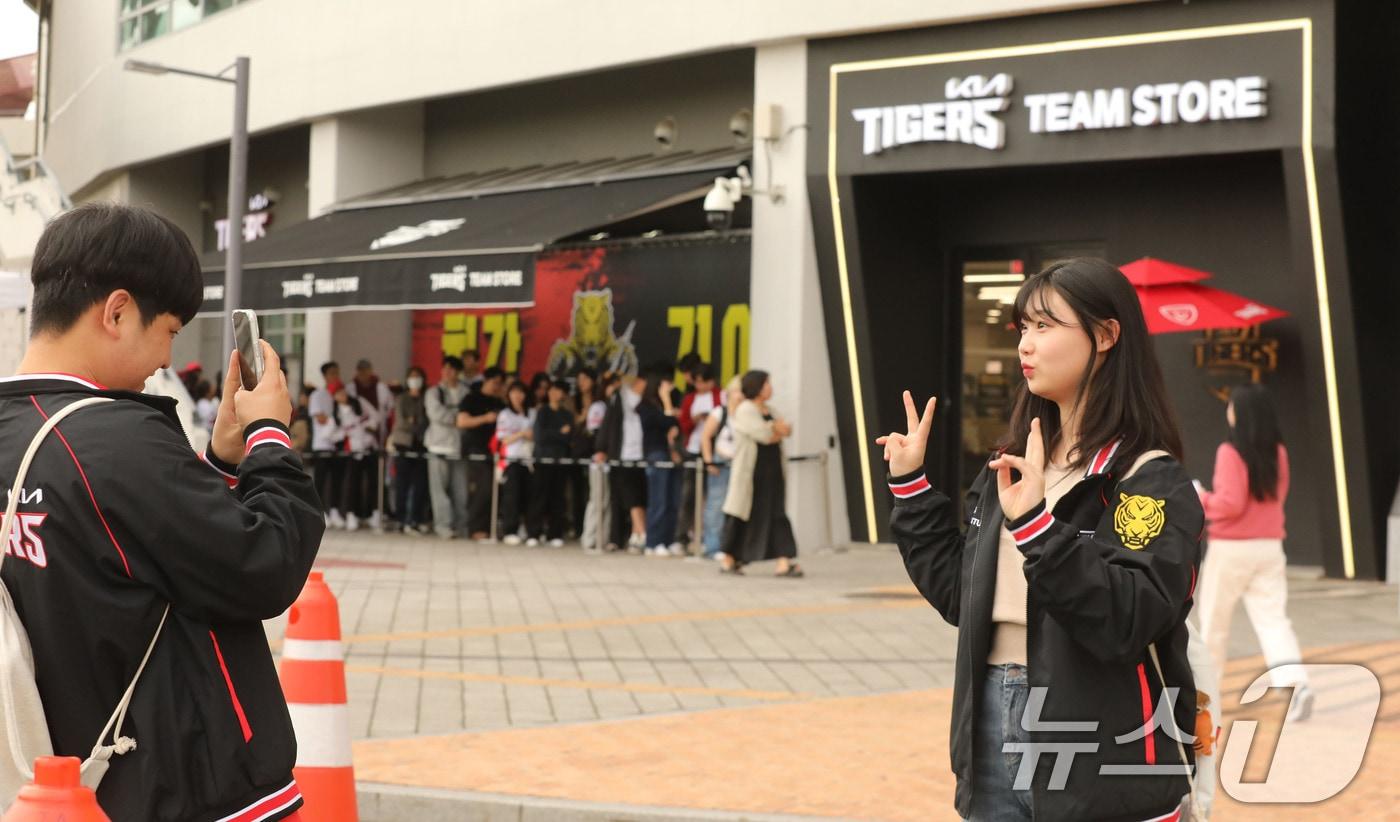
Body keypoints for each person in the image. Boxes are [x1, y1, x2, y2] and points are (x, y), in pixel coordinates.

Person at [0, 202, 321, 821]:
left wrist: (220, 463)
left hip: (76, 783)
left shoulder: (19, 430)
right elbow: (262, 563)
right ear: (117, 312)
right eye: (169, 330)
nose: (167, 361)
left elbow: (135, 551)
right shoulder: (114, 439)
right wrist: (270, 439)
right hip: (192, 786)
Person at [879, 257, 1203, 821]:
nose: (1026, 344)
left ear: (1105, 335)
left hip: (1099, 735)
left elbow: (1127, 618)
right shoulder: (1013, 463)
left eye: (1045, 326)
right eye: (1023, 327)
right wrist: (911, 487)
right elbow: (962, 596)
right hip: (989, 717)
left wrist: (1037, 529)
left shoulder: (1146, 478)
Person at [1196, 383, 1312, 722]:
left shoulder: (1230, 452)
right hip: (1269, 547)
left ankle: (1207, 700)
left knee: (1214, 625)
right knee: (1273, 621)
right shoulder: (1279, 451)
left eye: (1231, 406)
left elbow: (1229, 505)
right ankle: (1296, 686)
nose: (1228, 411)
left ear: (1239, 413)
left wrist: (1200, 497)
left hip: (1231, 549)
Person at [719, 370, 800, 576]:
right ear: (757, 386)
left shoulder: (770, 409)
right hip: (751, 474)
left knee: (776, 513)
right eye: (766, 384)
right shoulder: (745, 409)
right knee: (742, 513)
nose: (770, 388)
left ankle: (784, 561)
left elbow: (786, 430)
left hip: (772, 471)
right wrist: (775, 429)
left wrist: (775, 429)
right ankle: (729, 558)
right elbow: (764, 435)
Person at [594, 373, 648, 553]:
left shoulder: (649, 397)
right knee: (621, 497)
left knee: (639, 496)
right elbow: (608, 423)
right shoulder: (619, 396)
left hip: (642, 455)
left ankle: (636, 534)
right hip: (621, 454)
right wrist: (601, 448)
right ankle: (620, 537)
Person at [676, 362, 720, 552]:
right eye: (698, 382)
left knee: (712, 495)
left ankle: (709, 536)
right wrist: (694, 420)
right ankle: (683, 535)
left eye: (704, 382)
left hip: (713, 448)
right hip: (693, 449)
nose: (700, 386)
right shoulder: (689, 399)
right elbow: (683, 424)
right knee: (688, 494)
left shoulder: (720, 396)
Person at [457, 367, 506, 539]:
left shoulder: (500, 403)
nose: (497, 387)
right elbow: (462, 422)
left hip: (495, 451)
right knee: (483, 487)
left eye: (500, 384)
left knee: (495, 488)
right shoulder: (472, 398)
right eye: (495, 383)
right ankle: (475, 527)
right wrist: (485, 419)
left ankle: (488, 527)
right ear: (486, 380)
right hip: (475, 449)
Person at [639, 371, 682, 556]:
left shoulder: (667, 404)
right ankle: (653, 542)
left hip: (671, 454)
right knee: (659, 500)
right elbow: (667, 421)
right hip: (656, 454)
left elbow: (675, 425)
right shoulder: (646, 406)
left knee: (673, 500)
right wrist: (666, 401)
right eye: (666, 386)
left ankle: (668, 539)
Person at [425, 355, 468, 539]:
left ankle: (462, 525)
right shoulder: (434, 392)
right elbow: (436, 413)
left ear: (458, 373)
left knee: (461, 490)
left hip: (460, 447)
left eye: (451, 369)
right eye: (445, 369)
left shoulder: (466, 392)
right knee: (439, 490)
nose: (447, 373)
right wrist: (457, 419)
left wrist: (463, 419)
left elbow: (470, 412)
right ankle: (443, 526)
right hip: (438, 446)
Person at [700, 376, 742, 560]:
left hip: (740, 464)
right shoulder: (719, 412)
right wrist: (709, 461)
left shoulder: (745, 414)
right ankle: (713, 545)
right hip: (720, 463)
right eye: (738, 391)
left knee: (737, 507)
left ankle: (733, 546)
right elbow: (705, 437)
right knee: (716, 505)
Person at [530, 380, 573, 546]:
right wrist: (559, 433)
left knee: (558, 498)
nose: (557, 394)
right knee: (539, 497)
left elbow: (568, 437)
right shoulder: (542, 412)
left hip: (560, 460)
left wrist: (558, 435)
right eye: (554, 390)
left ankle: (555, 533)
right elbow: (540, 436)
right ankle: (534, 532)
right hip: (543, 459)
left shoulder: (567, 414)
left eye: (561, 391)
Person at [390, 366, 430, 535]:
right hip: (403, 444)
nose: (415, 380)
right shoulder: (401, 398)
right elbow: (401, 422)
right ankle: (400, 519)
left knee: (420, 485)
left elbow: (426, 421)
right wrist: (414, 422)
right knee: (402, 484)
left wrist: (413, 420)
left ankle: (416, 519)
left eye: (418, 376)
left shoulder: (425, 398)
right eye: (412, 377)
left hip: (421, 444)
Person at [335, 383, 381, 531]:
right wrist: (345, 434)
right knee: (352, 483)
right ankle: (351, 514)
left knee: (373, 482)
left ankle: (372, 513)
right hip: (353, 450)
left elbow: (376, 416)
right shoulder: (336, 412)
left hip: (369, 446)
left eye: (342, 392)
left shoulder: (359, 402)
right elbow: (334, 433)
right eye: (337, 394)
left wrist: (369, 425)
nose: (341, 396)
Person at [494, 380, 534, 545]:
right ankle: (509, 529)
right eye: (514, 392)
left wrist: (528, 434)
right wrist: (522, 434)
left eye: (521, 392)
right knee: (512, 495)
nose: (518, 396)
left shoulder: (531, 413)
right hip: (511, 460)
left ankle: (524, 527)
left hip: (528, 461)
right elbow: (503, 439)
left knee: (527, 496)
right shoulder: (504, 414)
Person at [579, 372, 615, 554]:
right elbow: (594, 434)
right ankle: (590, 538)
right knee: (596, 500)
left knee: (606, 501)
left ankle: (603, 538)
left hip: (610, 462)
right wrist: (601, 450)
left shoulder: (612, 406)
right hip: (598, 460)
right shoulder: (598, 407)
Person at [308, 361, 347, 528]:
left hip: (337, 443)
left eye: (337, 373)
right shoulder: (318, 395)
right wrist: (335, 420)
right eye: (332, 373)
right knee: (321, 481)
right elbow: (320, 418)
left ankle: (335, 511)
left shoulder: (339, 394)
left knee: (337, 480)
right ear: (325, 376)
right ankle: (320, 511)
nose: (335, 376)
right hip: (322, 444)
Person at [569, 368, 601, 537]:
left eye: (585, 379)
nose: (582, 383)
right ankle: (578, 527)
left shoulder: (599, 402)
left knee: (594, 491)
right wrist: (582, 417)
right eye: (579, 379)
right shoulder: (573, 401)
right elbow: (571, 422)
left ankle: (593, 530)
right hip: (577, 450)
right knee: (577, 491)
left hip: (594, 450)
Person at [347, 358, 394, 445]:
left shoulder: (381, 387)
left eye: (366, 370)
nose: (363, 373)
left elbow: (390, 407)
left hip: (378, 428)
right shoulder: (350, 388)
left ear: (371, 371)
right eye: (361, 370)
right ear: (357, 371)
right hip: (357, 429)